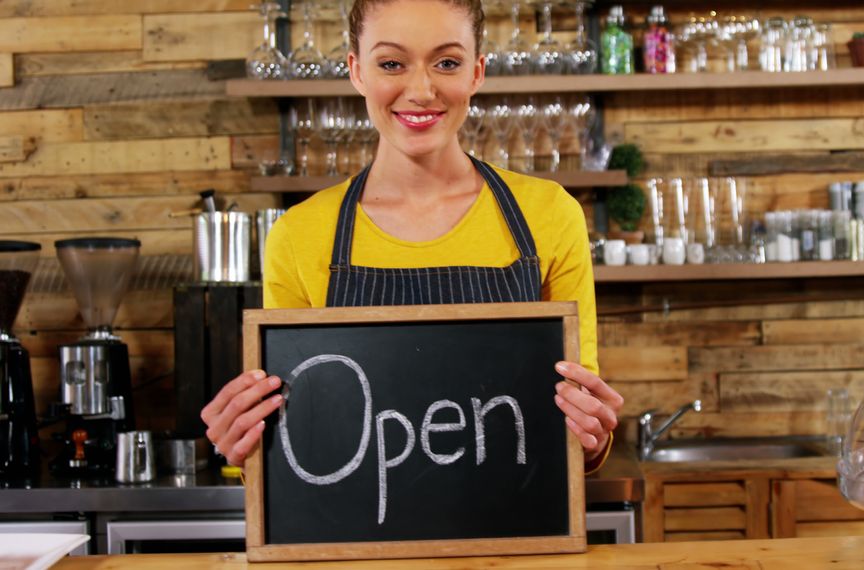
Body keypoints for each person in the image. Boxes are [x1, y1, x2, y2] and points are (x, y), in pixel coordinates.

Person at [201, 0, 622, 474]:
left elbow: (582, 422)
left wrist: (591, 435)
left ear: (477, 73)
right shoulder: (299, 235)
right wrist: (246, 442)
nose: (421, 90)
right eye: (391, 64)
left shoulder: (549, 215)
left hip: (515, 533)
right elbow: (302, 439)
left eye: (447, 63)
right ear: (357, 72)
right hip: (356, 540)